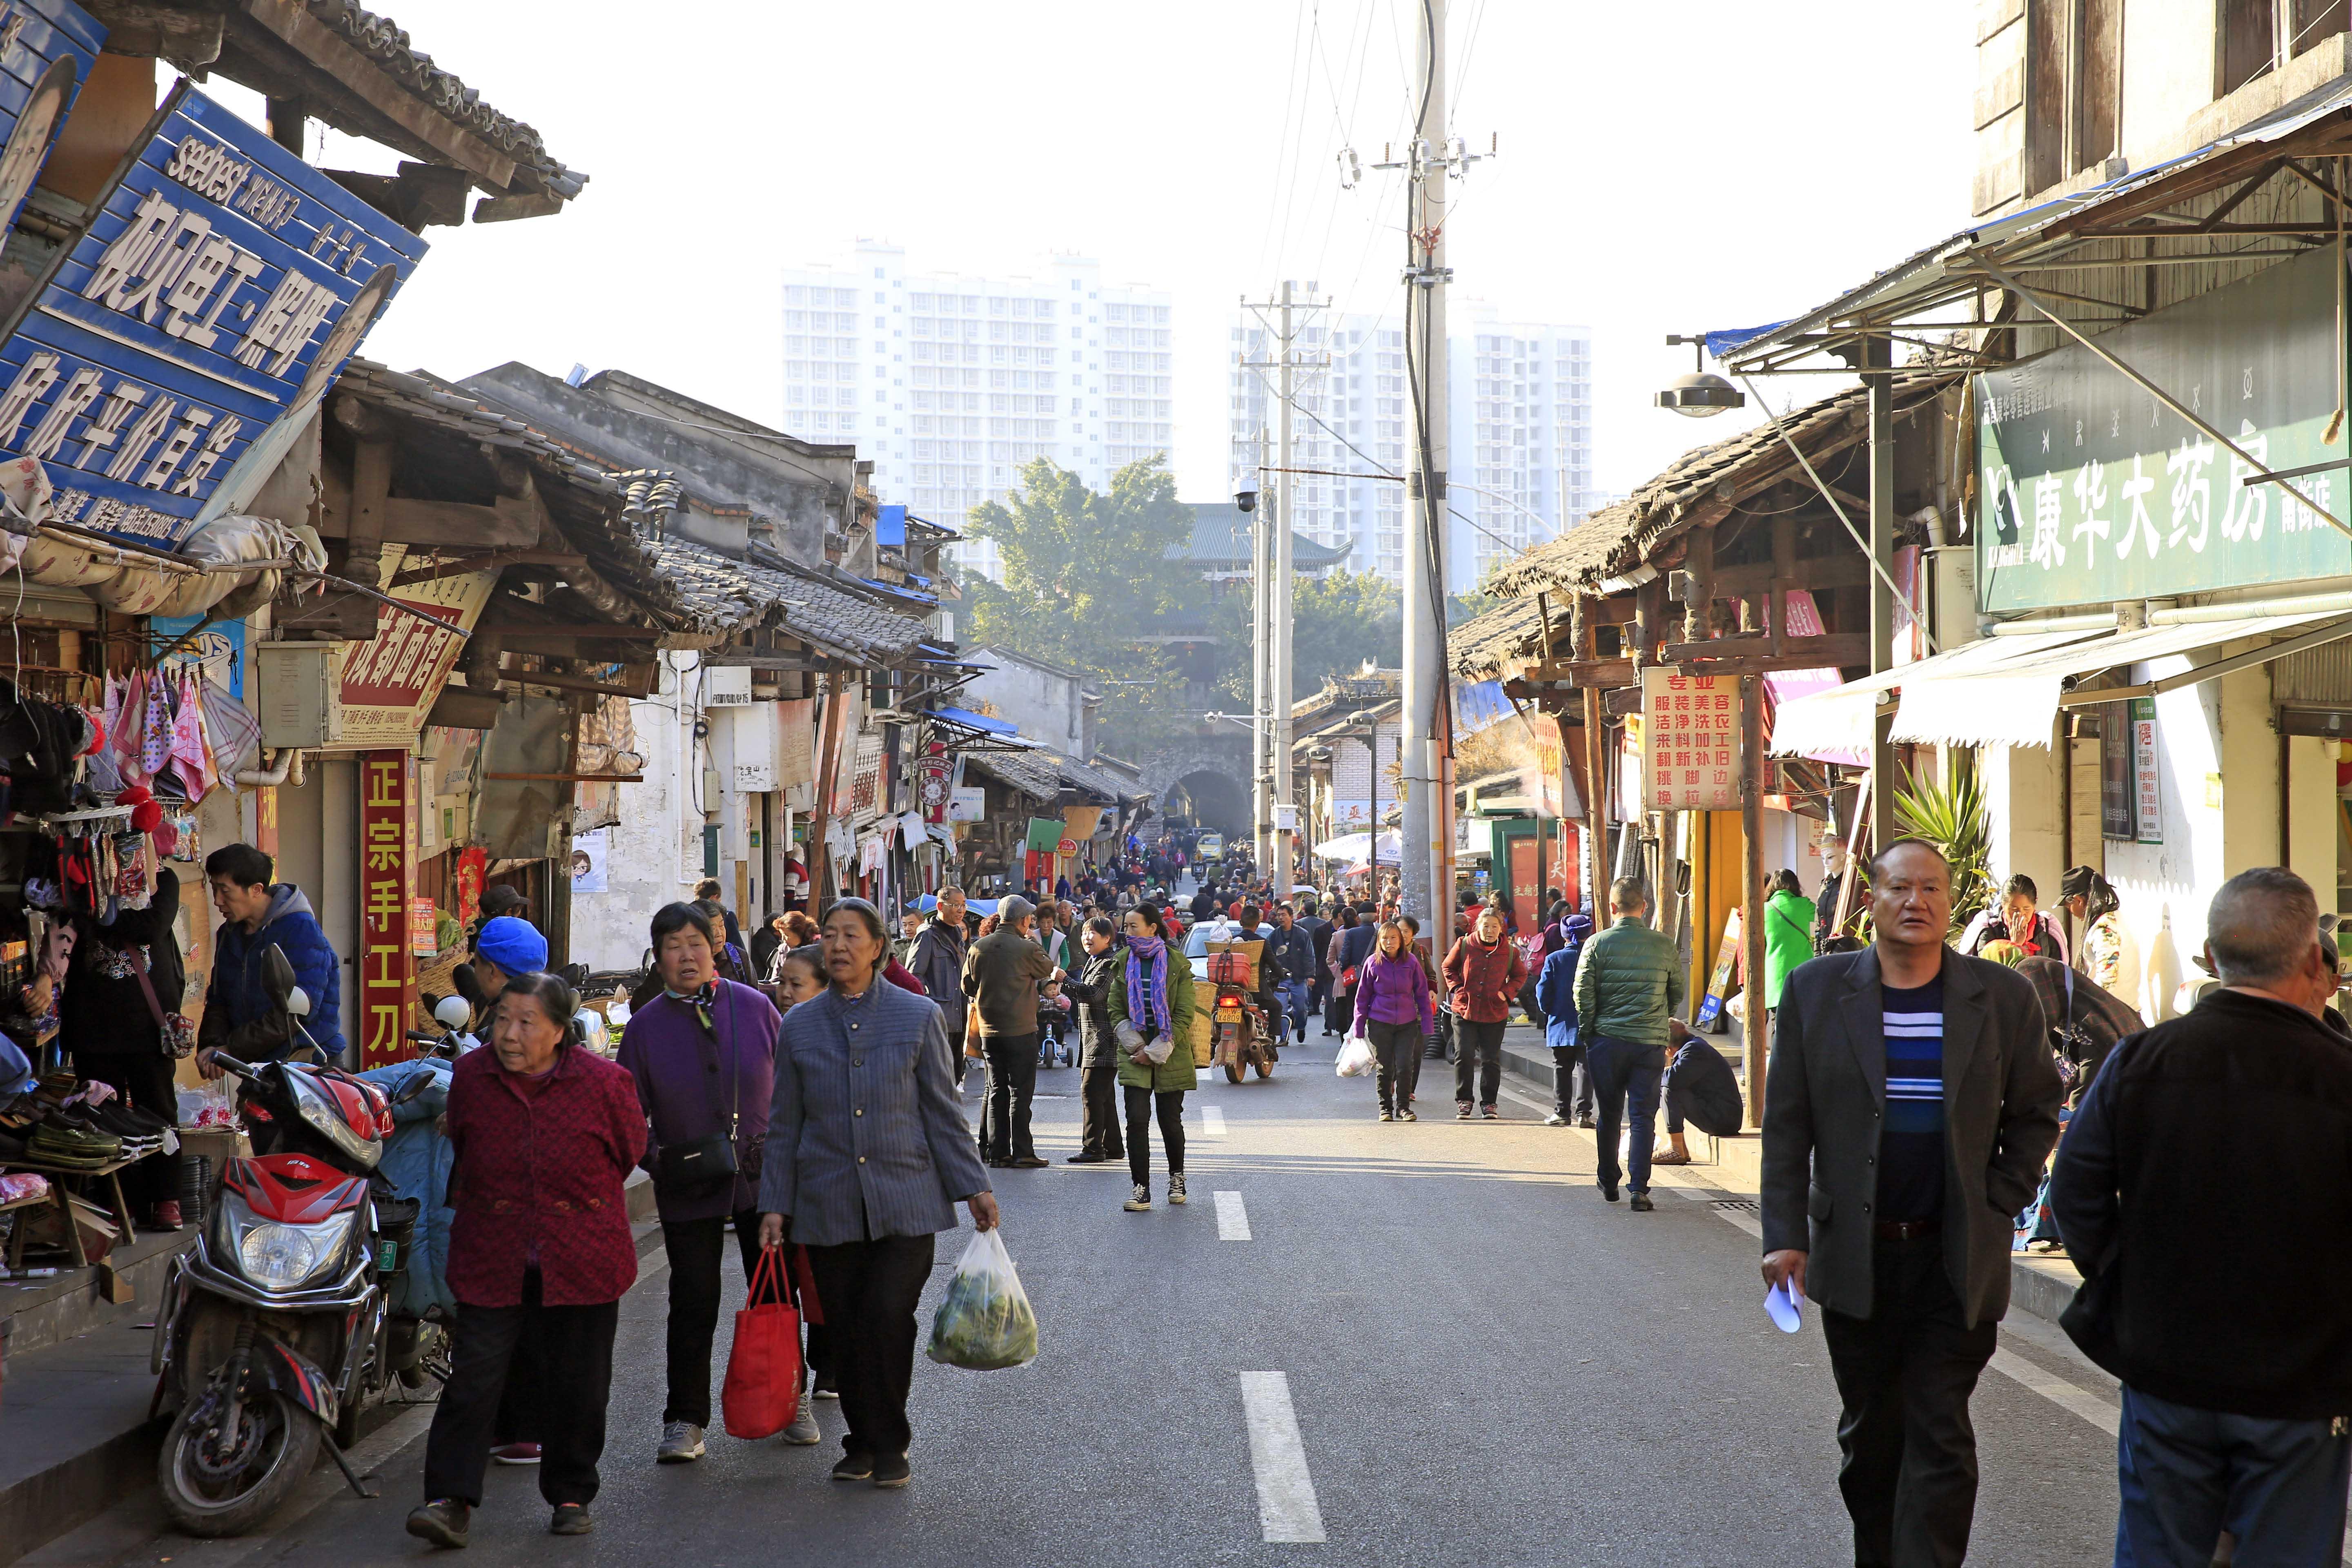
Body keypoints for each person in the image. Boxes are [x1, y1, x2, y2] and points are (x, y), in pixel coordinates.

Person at [1760, 839, 2062, 1568]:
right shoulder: (1816, 991)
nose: (1915, 902)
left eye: (1931, 888)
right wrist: (1783, 1234)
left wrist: (1997, 1204)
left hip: (1954, 1256)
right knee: (1871, 1440)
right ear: (1871, 900)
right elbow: (1787, 1124)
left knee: (1940, 1432)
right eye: (1900, 887)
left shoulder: (2001, 997)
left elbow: (2037, 1113)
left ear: (1949, 901)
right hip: (1856, 1256)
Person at [2048, 866, 2352, 1564]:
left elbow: (2074, 1196)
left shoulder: (2142, 1061)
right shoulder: (2341, 1076)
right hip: (2302, 1385)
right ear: (2314, 961)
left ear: (2212, 960)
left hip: (2167, 1367)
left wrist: (2128, 1283)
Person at [755, 899, 998, 1490]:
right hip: (828, 1201)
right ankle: (863, 1441)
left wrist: (974, 1187)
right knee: (846, 1325)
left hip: (906, 1197)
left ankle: (888, 1444)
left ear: (877, 947)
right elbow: (785, 1123)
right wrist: (775, 1205)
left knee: (888, 1316)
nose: (838, 945)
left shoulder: (916, 1017)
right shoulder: (800, 1025)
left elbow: (942, 1111)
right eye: (831, 935)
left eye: (852, 936)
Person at [408, 973, 647, 1548]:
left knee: (579, 1381)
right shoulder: (471, 1076)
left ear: (561, 1031)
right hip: (493, 1247)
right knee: (474, 1377)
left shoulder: (606, 1083)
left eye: (527, 1023)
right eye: (504, 1020)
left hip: (584, 1253)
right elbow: (466, 1146)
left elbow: (627, 1151)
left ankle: (570, 1494)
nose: (509, 1035)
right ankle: (449, 1500)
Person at [617, 904, 815, 1465]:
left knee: (775, 1292)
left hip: (763, 1180)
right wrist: (660, 1160)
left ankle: (789, 1399)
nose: (687, 955)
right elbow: (628, 1115)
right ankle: (685, 1419)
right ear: (659, 957)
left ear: (716, 950)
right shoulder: (646, 1027)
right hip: (688, 1185)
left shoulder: (755, 1008)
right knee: (693, 1300)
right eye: (674, 945)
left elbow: (792, 1092)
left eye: (695, 943)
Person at [57, 866, 187, 1228]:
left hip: (148, 1026)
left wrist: (104, 914)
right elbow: (66, 922)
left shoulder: (164, 880)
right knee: (102, 1115)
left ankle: (166, 1199)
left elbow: (152, 926)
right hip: (93, 1026)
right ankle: (120, 1203)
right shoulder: (83, 879)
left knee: (159, 1111)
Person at [1572, 877, 1685, 1209]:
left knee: (1608, 1113)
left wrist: (1589, 1030)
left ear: (1612, 907)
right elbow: (1676, 991)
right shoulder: (1663, 945)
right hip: (1649, 1042)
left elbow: (1583, 995)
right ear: (1644, 907)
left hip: (1606, 1040)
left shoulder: (1596, 943)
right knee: (1642, 1115)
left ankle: (1609, 1180)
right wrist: (1657, 1018)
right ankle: (1639, 1188)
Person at [196, 843, 344, 1072]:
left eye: (225, 892)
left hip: (307, 1063)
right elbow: (219, 998)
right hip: (258, 1065)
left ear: (256, 889)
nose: (217, 901)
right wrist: (213, 1046)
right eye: (214, 889)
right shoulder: (228, 934)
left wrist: (233, 1049)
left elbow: (295, 1013)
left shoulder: (300, 929)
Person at [1105, 902, 1197, 1211]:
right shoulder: (1121, 962)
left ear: (1152, 928)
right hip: (1134, 1054)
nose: (1127, 932)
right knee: (1136, 1121)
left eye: (1134, 926)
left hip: (1171, 1052)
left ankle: (1177, 1177)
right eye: (1126, 926)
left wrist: (1157, 1050)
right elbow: (1115, 1009)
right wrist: (1137, 1048)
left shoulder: (1178, 964)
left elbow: (1184, 1015)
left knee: (1170, 1121)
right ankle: (1141, 1188)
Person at [961, 894, 1061, 1169]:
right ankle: (1022, 1152)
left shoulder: (978, 947)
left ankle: (997, 1153)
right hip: (1021, 1030)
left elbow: (967, 987)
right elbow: (1047, 968)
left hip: (990, 1032)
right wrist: (1030, 941)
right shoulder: (1026, 948)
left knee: (996, 1091)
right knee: (1020, 1092)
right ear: (1023, 920)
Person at [1443, 906, 1528, 1121]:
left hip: (1494, 1013)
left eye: (1495, 926)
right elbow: (1448, 967)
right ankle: (1465, 1101)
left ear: (1501, 929)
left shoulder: (1510, 952)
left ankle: (1489, 1103)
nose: (1490, 930)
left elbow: (1520, 975)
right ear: (1477, 926)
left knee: (1491, 1060)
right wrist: (1458, 989)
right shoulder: (1464, 944)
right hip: (1465, 1010)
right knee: (1464, 1055)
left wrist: (1506, 993)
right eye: (1486, 926)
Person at [1057, 915, 1128, 1165]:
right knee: (1104, 1095)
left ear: (1107, 938)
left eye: (1093, 934)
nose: (1087, 938)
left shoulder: (1109, 963)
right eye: (1085, 933)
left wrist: (1064, 980)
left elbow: (1095, 995)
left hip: (1104, 1039)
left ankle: (1093, 1148)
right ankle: (1114, 1147)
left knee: (1091, 1092)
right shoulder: (1095, 961)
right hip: (1093, 1038)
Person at [1352, 920, 1432, 1122]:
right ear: (1379, 941)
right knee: (1385, 1067)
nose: (1389, 942)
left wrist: (1427, 1023)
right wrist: (1359, 1027)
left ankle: (1404, 1107)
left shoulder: (1412, 962)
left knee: (1405, 1065)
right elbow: (1362, 997)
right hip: (1380, 1022)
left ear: (1401, 941)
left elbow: (1422, 993)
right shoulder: (1373, 962)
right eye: (1385, 938)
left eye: (1394, 938)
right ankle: (1385, 1107)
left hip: (1407, 1023)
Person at [1532, 908, 1596, 1129]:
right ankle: (1585, 1114)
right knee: (1586, 1069)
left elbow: (1543, 994)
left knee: (1561, 1068)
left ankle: (1562, 1112)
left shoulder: (1554, 959)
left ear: (1564, 936)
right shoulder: (1595, 958)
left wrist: (1551, 1012)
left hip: (1560, 1024)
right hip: (1590, 1024)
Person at [1656, 1017, 1744, 1165]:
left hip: (1723, 1120)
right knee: (1668, 1085)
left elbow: (1672, 1080)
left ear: (1668, 1048)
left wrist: (1653, 1073)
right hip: (1718, 1113)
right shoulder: (1694, 1046)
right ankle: (1681, 1148)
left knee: (1669, 1089)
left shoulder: (1694, 1050)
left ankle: (1676, 1149)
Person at [906, 890, 971, 1077]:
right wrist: (928, 1005)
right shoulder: (927, 936)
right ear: (941, 907)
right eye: (956, 905)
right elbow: (914, 976)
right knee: (937, 1076)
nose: (961, 910)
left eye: (963, 905)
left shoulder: (958, 934)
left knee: (955, 1074)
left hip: (960, 1015)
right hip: (939, 1017)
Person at [1962, 873, 2068, 962]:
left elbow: (2057, 973)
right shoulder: (1989, 931)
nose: (2020, 915)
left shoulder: (2047, 930)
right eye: (2014, 909)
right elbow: (1986, 974)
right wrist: (2015, 945)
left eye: (2026, 909)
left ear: (2035, 904)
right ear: (2003, 905)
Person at [1763, 869, 1814, 1034]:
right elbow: (1827, 917)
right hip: (1803, 976)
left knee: (1778, 1027)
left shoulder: (1764, 910)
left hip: (1775, 978)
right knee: (1802, 1027)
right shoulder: (1804, 905)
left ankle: (1778, 1059)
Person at [2059, 865, 2122, 992]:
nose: (2070, 912)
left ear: (2079, 901)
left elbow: (2107, 980)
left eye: (2068, 906)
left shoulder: (2103, 930)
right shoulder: (2117, 918)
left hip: (2110, 1010)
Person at [1263, 904, 1315, 1046]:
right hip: (1280, 979)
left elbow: (1309, 956)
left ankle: (1301, 1026)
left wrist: (1311, 975)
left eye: (1284, 915)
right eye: (1278, 915)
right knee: (1281, 1009)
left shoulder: (1302, 934)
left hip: (1299, 978)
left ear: (1291, 917)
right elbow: (1268, 957)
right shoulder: (1273, 936)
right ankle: (1283, 1038)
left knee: (1301, 1008)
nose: (1281, 918)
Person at [1326, 907, 1373, 1037]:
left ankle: (1345, 1040)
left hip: (1344, 978)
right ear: (1357, 918)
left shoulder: (1338, 935)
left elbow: (1330, 959)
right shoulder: (1369, 933)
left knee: (1343, 1012)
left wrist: (1338, 973)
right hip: (1364, 977)